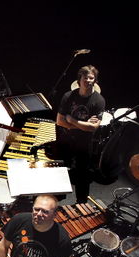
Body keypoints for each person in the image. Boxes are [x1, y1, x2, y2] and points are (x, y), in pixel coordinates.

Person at [56, 65, 105, 203]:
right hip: (66, 140)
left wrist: (72, 120)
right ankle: (56, 201)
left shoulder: (99, 101)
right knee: (60, 169)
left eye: (91, 78)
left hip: (84, 143)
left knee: (83, 175)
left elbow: (93, 127)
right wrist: (83, 125)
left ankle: (81, 204)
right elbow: (59, 121)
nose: (88, 80)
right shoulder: (68, 96)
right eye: (86, 77)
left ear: (95, 80)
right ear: (79, 79)